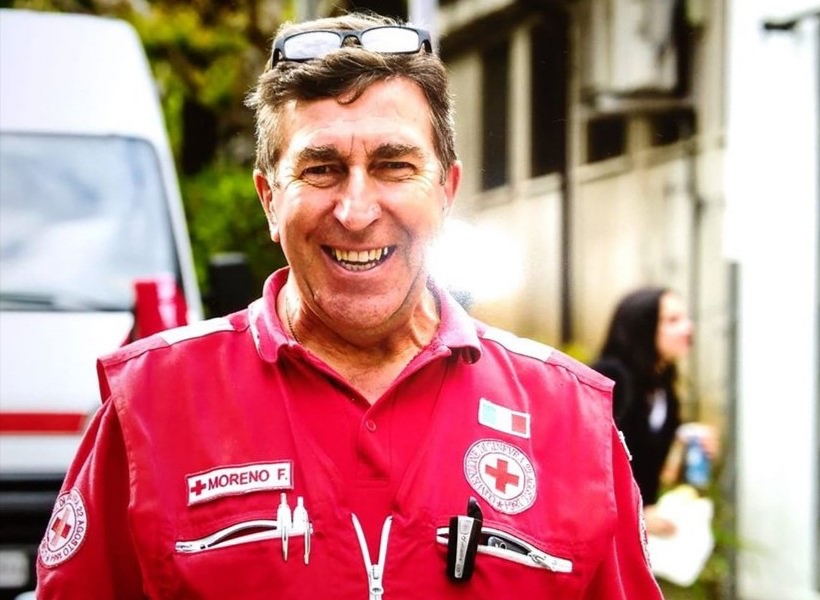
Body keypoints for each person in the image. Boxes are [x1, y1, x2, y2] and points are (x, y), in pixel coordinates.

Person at [35, 11, 663, 599]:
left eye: (394, 166)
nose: (357, 211)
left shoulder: (569, 420)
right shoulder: (149, 405)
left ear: (446, 191)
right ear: (269, 200)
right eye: (321, 169)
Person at [590, 286, 717, 537]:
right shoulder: (610, 377)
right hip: (601, 526)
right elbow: (590, 460)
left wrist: (686, 444)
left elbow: (650, 465)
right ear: (642, 328)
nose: (688, 328)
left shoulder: (663, 387)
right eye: (672, 320)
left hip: (633, 532)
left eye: (685, 318)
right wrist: (635, 513)